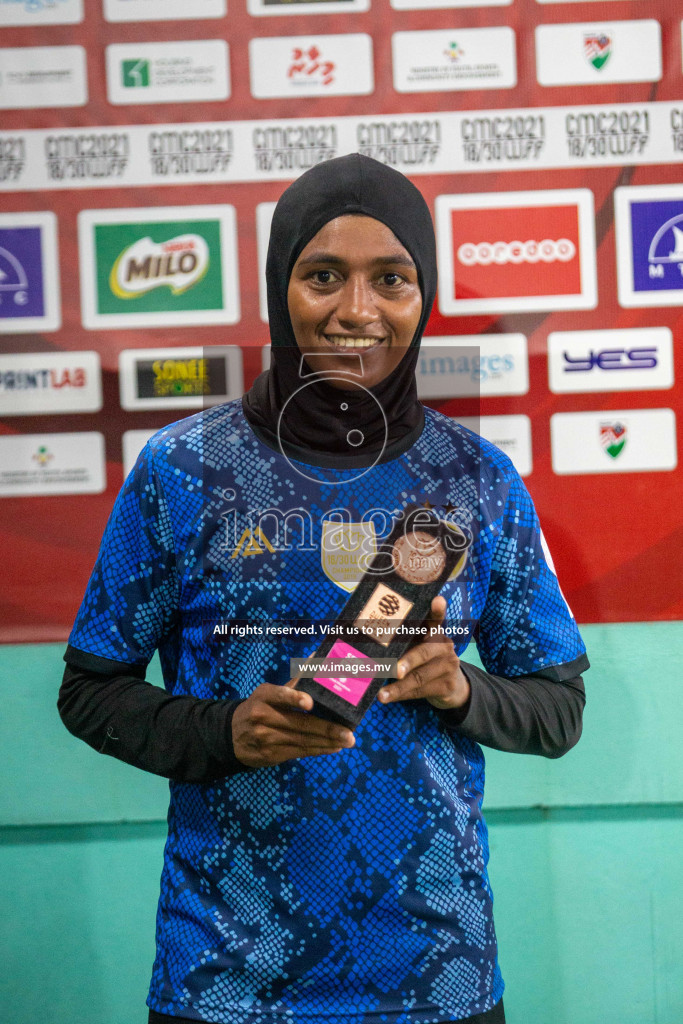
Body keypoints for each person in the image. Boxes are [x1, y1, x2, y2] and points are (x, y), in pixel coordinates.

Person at [59, 154, 589, 1024]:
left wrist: (460, 690)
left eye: (391, 279)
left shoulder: (475, 478)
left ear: (422, 299)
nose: (356, 311)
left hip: (434, 974)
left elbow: (557, 711)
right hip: (225, 974)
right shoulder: (183, 470)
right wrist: (225, 730)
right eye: (322, 276)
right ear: (280, 287)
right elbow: (90, 691)